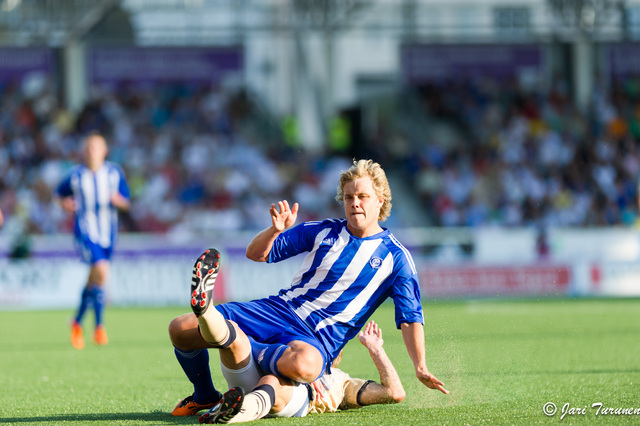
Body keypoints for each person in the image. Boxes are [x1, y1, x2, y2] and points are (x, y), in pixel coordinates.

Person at [168, 159, 447, 416]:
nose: (355, 203)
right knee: (179, 329)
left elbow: (411, 318)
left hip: (316, 339)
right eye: (349, 197)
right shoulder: (322, 230)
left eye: (362, 197)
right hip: (278, 310)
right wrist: (275, 230)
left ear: (380, 201)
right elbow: (256, 254)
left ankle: (234, 340)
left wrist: (420, 365)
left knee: (306, 366)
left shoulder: (396, 258)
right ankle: (205, 395)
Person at [198, 319, 405, 424]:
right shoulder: (289, 343)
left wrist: (376, 350)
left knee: (273, 380)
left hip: (297, 398)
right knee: (235, 340)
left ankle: (235, 412)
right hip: (251, 375)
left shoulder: (343, 384)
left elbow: (394, 393)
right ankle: (204, 312)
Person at [56, 132, 131, 349]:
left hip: (109, 233)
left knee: (95, 280)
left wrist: (119, 201)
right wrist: (65, 204)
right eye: (88, 148)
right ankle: (99, 327)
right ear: (83, 151)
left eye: (96, 148)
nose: (91, 152)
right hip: (86, 232)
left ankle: (77, 322)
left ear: (104, 151)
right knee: (101, 270)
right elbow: (58, 195)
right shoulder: (76, 175)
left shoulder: (114, 173)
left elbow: (127, 202)